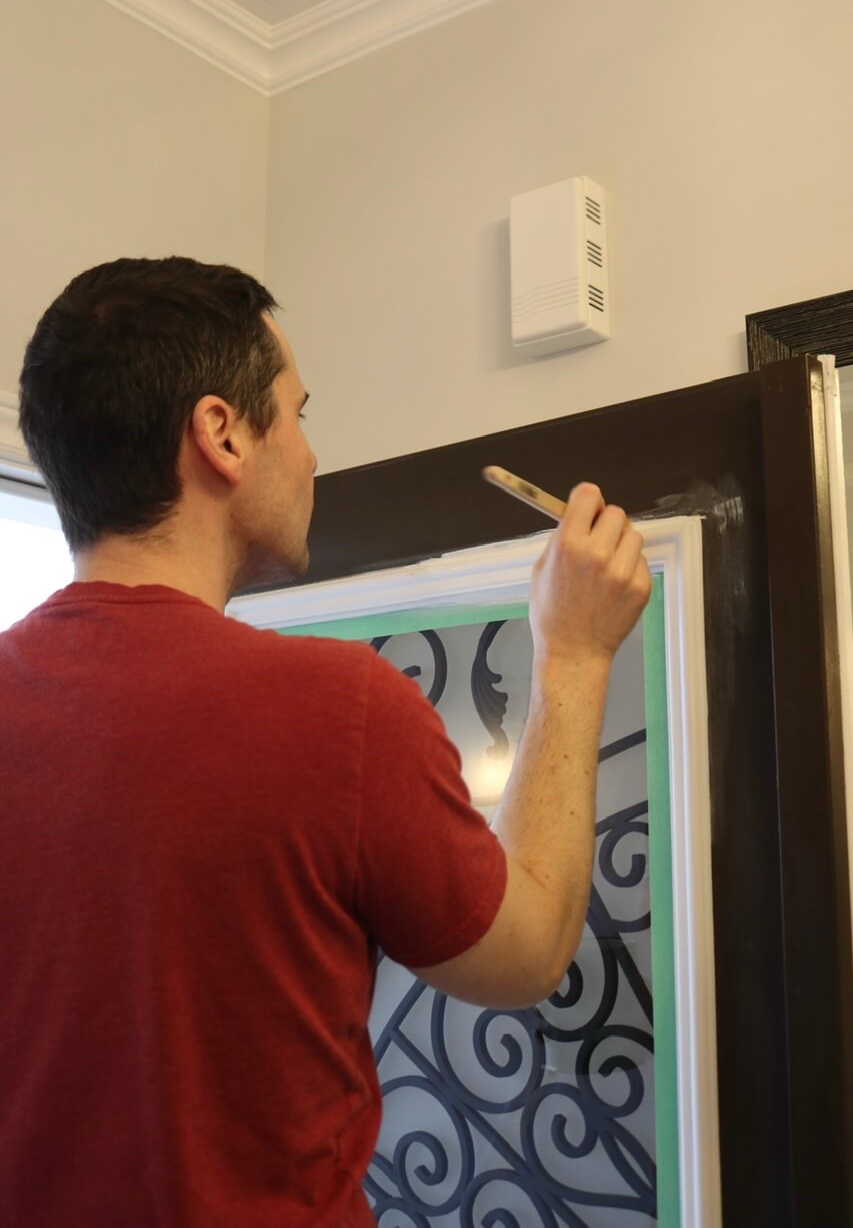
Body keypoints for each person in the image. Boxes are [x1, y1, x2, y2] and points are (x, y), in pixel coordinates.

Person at [0, 257, 651, 1227]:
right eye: (298, 415)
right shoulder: (340, 710)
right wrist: (575, 655)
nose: (308, 457)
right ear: (222, 433)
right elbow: (523, 957)